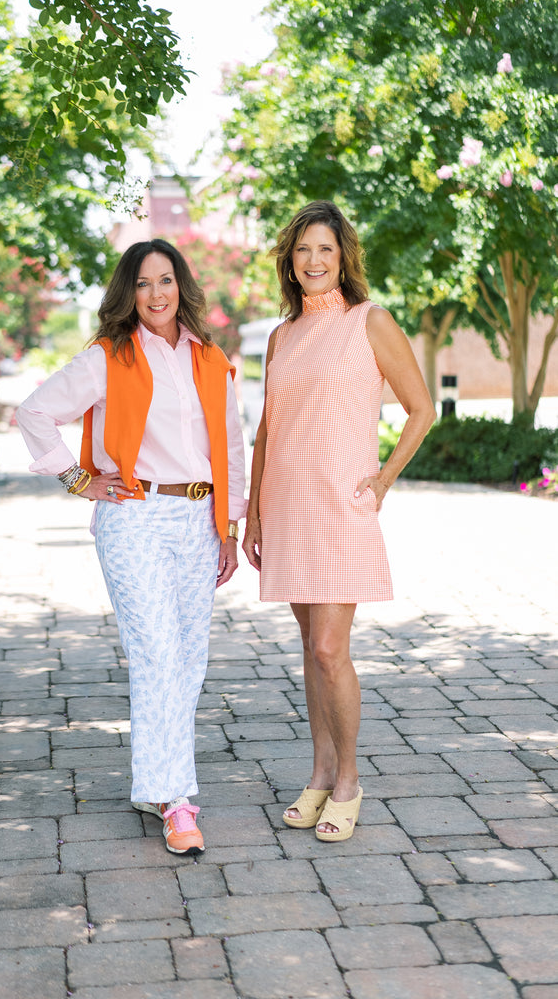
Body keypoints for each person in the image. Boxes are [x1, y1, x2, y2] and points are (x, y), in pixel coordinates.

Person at [17, 239, 247, 856]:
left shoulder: (211, 359)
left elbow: (231, 449)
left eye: (166, 281)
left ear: (182, 287)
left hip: (199, 520)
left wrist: (228, 526)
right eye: (143, 284)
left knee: (188, 658)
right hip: (135, 516)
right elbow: (34, 412)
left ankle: (157, 784)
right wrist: (78, 479)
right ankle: (177, 801)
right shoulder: (107, 357)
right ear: (128, 292)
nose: (156, 294)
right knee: (157, 653)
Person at [243, 201, 435, 842]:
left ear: (343, 256)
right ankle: (320, 775)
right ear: (289, 263)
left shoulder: (369, 321)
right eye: (302, 251)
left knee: (331, 650)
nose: (314, 261)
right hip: (287, 507)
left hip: (342, 509)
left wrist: (381, 481)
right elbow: (267, 430)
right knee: (309, 649)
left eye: (325, 249)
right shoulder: (281, 336)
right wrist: (253, 513)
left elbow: (421, 409)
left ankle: (349, 780)